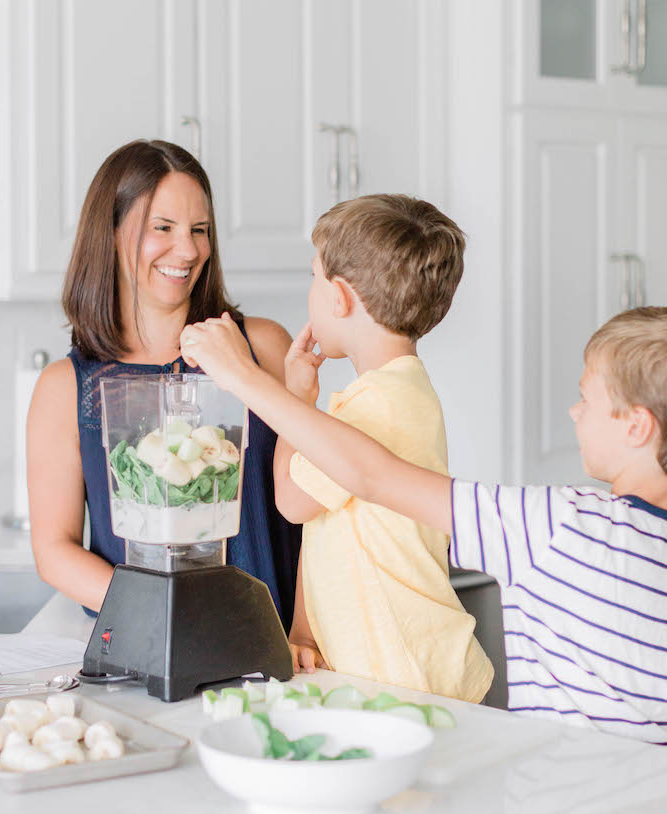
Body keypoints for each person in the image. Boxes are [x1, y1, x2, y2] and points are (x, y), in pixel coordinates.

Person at [182, 304, 667, 814]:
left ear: (636, 426)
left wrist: (246, 379)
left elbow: (372, 475)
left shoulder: (560, 526)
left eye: (587, 396)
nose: (572, 410)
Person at [187, 193, 493, 702]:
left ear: (340, 298)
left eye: (313, 276)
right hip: (394, 670)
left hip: (406, 675)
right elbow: (323, 518)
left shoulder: (377, 408)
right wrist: (305, 629)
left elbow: (290, 500)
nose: (310, 290)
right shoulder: (391, 393)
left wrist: (280, 392)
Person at [27, 139, 301, 631]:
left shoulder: (263, 349)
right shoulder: (66, 387)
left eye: (200, 230)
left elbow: (318, 511)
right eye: (164, 228)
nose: (189, 249)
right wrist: (164, 614)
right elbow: (54, 549)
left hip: (276, 649)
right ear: (110, 234)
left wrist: (303, 630)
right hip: (146, 648)